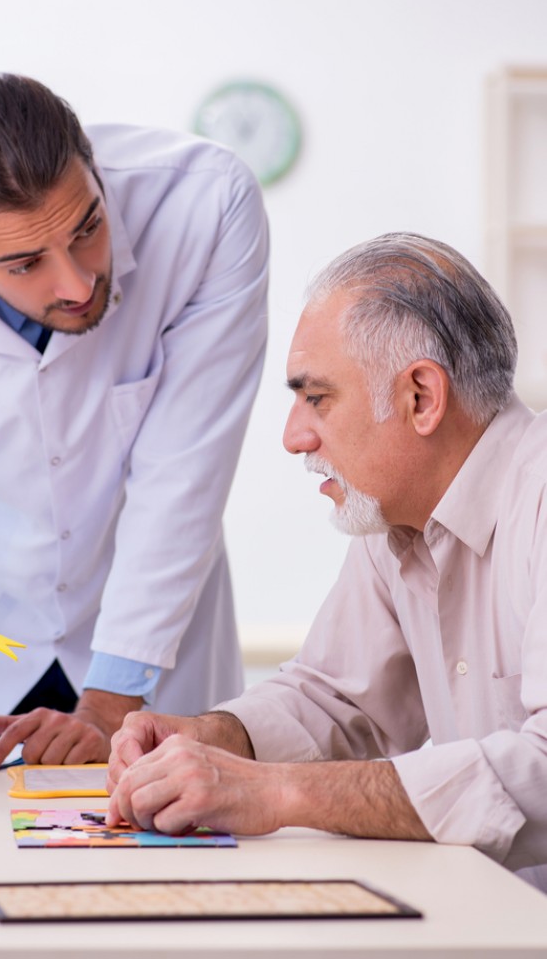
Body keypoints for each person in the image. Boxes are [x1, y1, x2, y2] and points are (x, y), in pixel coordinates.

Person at [106, 231, 547, 892]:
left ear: (421, 397)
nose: (293, 437)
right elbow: (337, 700)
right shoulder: (395, 516)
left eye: (317, 398)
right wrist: (210, 737)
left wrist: (277, 793)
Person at [0, 71, 269, 761]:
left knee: (171, 853)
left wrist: (112, 699)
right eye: (24, 263)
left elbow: (183, 475)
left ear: (95, 174)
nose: (76, 283)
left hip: (150, 648)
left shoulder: (203, 202)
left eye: (89, 228)